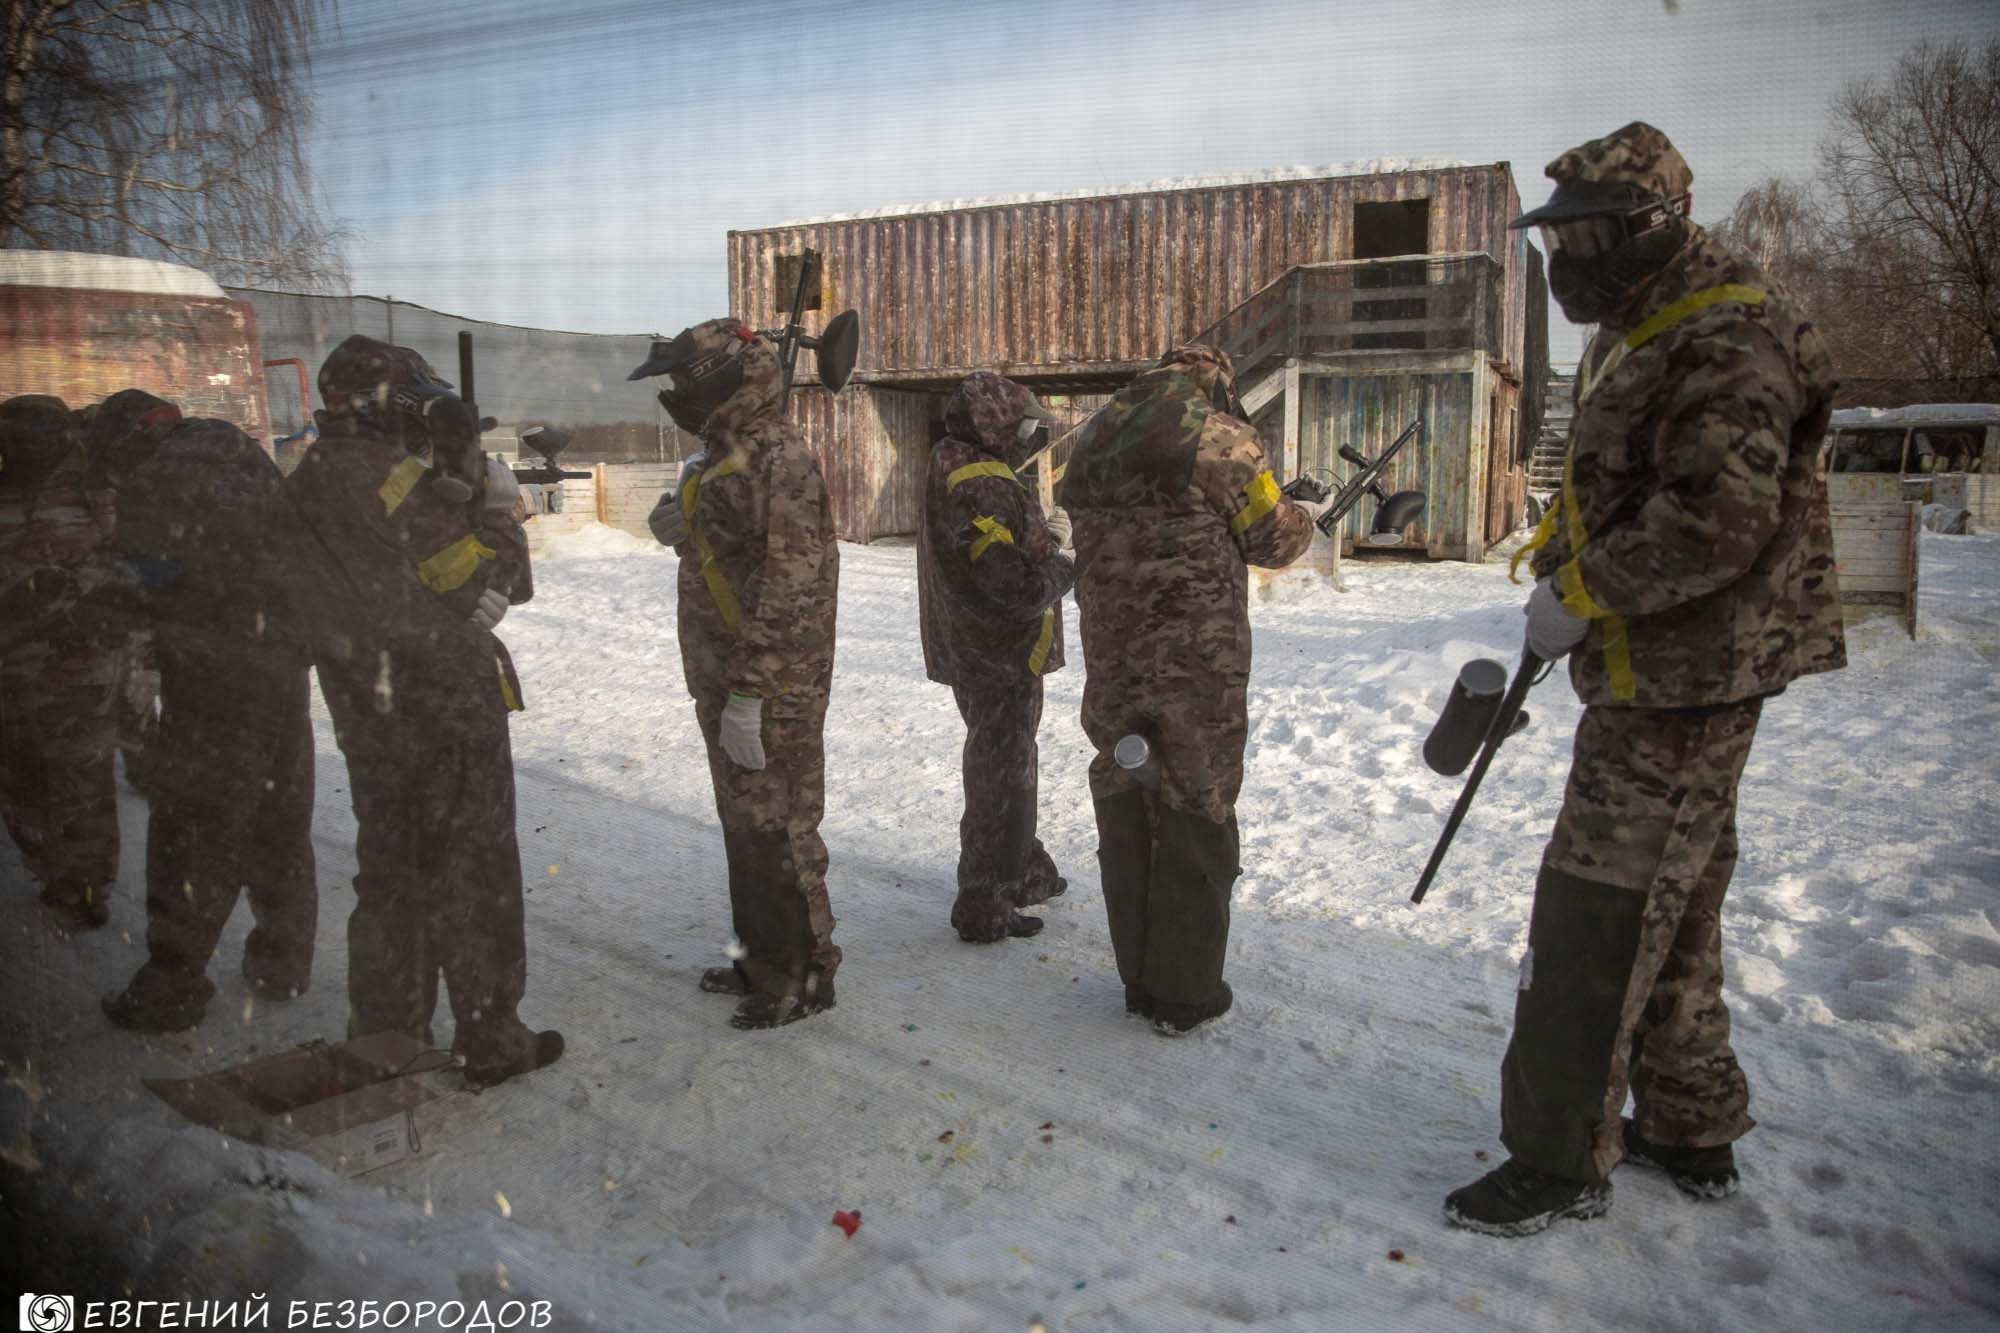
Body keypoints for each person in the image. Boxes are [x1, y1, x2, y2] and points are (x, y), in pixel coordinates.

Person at [1443, 122, 1846, 1236]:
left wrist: (1584, 593)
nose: (1563, 265)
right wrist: (1570, 575)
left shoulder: (1724, 332)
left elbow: (1716, 517)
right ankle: (1687, 1117)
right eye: (1555, 240)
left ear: (1648, 229)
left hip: (1685, 668)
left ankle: (1556, 1156)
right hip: (1651, 658)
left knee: (1597, 908)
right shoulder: (1644, 322)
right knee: (1675, 893)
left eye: (1582, 241)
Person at [280, 334, 562, 1087]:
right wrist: (498, 509)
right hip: (444, 704)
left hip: (367, 705)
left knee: (391, 871)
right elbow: (483, 581)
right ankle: (490, 1035)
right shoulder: (393, 478)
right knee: (470, 869)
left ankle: (386, 1038)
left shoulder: (304, 479)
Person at [1056, 345, 1327, 1034]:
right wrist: (1307, 513)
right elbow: (1274, 540)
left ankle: (1138, 977)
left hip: (1113, 656)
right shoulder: (1221, 438)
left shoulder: (1092, 437)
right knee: (1196, 797)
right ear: (1217, 385)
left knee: (1125, 789)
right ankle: (1182, 990)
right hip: (1195, 659)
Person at [80, 391, 317, 1032]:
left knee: (194, 827)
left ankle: (172, 985)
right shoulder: (239, 448)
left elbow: (143, 585)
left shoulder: (153, 481)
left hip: (214, 674)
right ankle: (282, 961)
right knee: (278, 812)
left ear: (128, 440)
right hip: (284, 660)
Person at [633, 317, 840, 1029]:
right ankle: (763, 961)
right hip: (730, 672)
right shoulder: (727, 452)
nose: (678, 396)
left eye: (686, 381)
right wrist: (680, 527)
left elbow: (788, 582)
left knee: (780, 825)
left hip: (772, 680)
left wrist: (751, 691)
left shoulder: (776, 455)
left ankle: (804, 977)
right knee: (746, 821)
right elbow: (732, 549)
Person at [917, 371, 1075, 943]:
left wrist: (1045, 538)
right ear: (999, 422)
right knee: (1000, 775)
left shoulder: (951, 458)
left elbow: (992, 550)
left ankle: (1026, 870)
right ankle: (983, 903)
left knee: (1010, 759)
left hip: (975, 646)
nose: (1033, 437)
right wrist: (1066, 564)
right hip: (1000, 653)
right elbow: (1016, 587)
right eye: (1028, 425)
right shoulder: (983, 479)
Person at [0, 395, 120, 931]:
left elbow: (129, 564)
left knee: (83, 780)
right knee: (20, 779)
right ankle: (50, 870)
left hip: (80, 660)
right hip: (11, 661)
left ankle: (88, 889)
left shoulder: (95, 489)